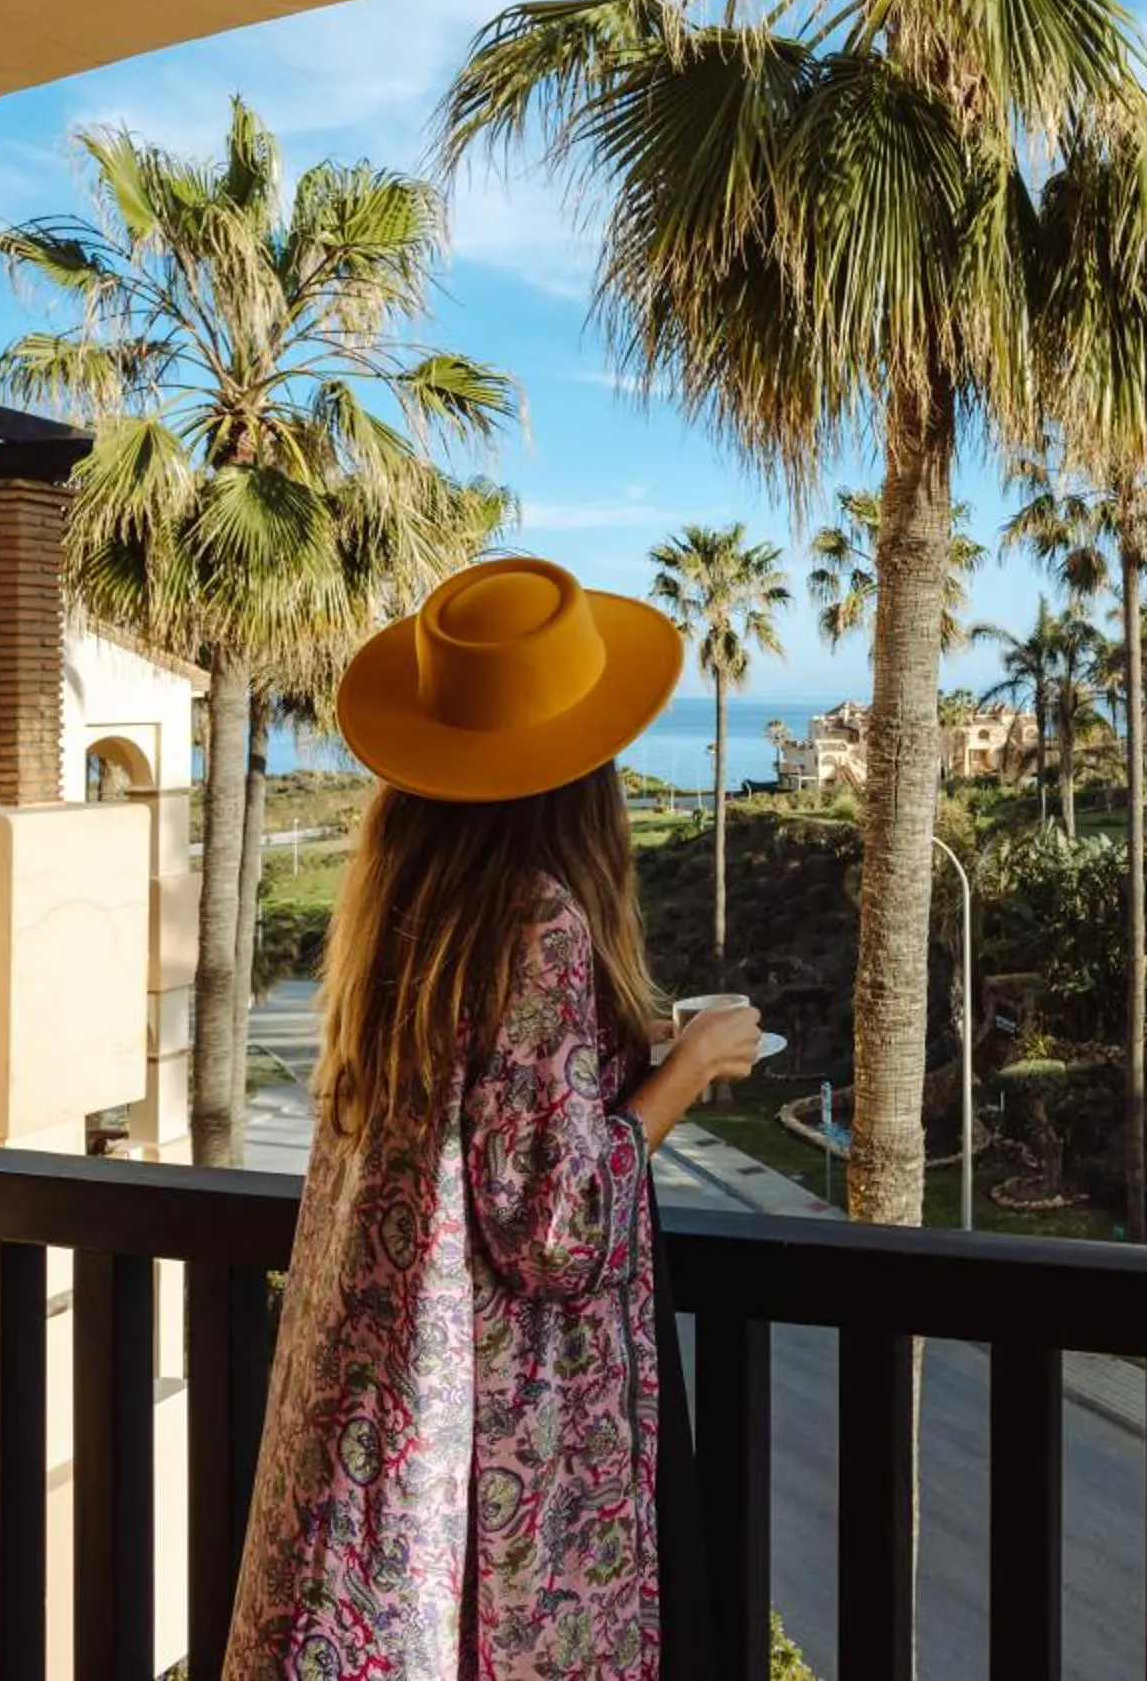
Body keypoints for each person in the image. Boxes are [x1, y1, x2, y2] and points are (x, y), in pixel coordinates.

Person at [224, 557, 761, 1680]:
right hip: (482, 1437)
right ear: (579, 772)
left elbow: (486, 1105)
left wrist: (623, 1044)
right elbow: (553, 1222)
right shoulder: (543, 923)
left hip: (373, 1407)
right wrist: (689, 1068)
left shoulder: (404, 909)